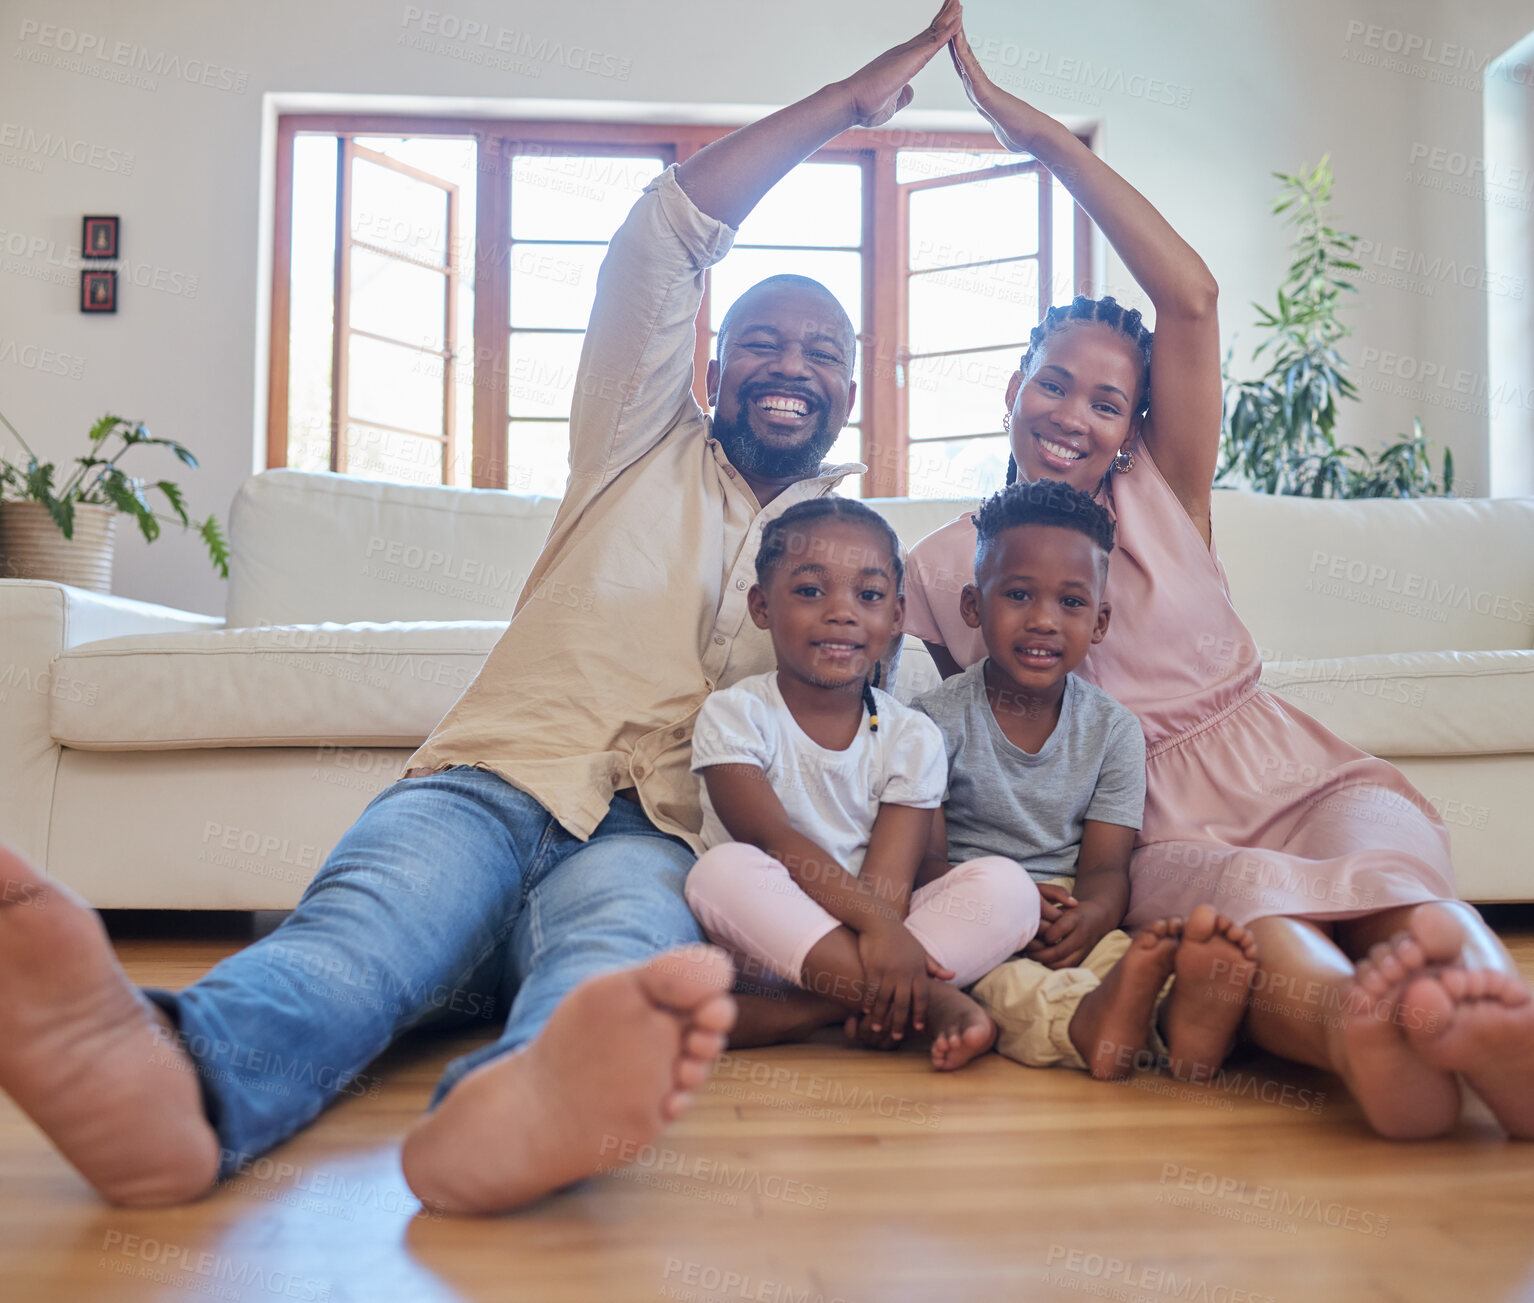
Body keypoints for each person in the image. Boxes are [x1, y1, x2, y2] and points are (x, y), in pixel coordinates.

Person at [0, 1, 969, 1214]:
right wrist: (847, 102)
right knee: (360, 938)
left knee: (617, 964)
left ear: (851, 386)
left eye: (822, 351)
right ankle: (167, 1081)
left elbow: (921, 727)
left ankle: (514, 1109)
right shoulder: (634, 439)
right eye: (762, 341)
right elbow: (663, 234)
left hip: (657, 833)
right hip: (491, 774)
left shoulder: (847, 559)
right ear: (711, 367)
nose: (792, 364)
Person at [901, 20, 1534, 1140]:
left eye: (1107, 402)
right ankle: (1362, 1035)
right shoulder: (948, 566)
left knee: (1395, 867)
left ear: (1134, 423)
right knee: (1247, 912)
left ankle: (1493, 1011)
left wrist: (1040, 138)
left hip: (1289, 759)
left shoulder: (1163, 486)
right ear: (1013, 386)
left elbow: (1187, 296)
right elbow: (913, 724)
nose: (1074, 418)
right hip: (1151, 813)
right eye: (1054, 387)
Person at [910, 478, 1258, 1082]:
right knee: (999, 984)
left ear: (1099, 622)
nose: (1044, 621)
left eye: (1070, 604)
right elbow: (925, 865)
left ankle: (1179, 1021)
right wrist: (1013, 901)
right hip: (971, 907)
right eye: (1018, 595)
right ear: (973, 606)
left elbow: (1104, 869)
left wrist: (1093, 919)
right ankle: (1087, 1027)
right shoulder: (929, 724)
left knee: (1125, 958)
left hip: (1071, 907)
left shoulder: (1113, 732)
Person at [684, 498, 1040, 1071]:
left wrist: (882, 928)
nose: (841, 613)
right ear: (761, 606)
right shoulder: (735, 714)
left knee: (1010, 887)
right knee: (718, 873)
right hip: (769, 936)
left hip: (883, 934)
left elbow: (890, 884)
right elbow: (771, 837)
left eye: (868, 596)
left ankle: (814, 1010)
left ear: (896, 616)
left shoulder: (910, 735)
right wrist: (879, 929)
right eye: (808, 591)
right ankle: (932, 1000)